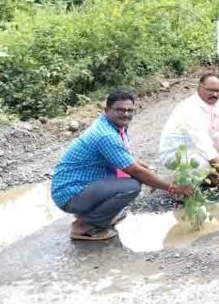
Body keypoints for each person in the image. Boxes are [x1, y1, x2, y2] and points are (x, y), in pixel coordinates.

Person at [51, 90, 192, 241]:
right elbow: (136, 172)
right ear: (107, 110)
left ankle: (95, 216)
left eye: (129, 110)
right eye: (120, 110)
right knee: (131, 186)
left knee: (134, 179)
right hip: (70, 193)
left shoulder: (112, 125)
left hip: (81, 187)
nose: (125, 114)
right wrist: (173, 188)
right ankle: (84, 226)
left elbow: (125, 156)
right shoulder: (105, 135)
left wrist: (149, 169)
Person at [158, 73, 219, 189]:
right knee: (201, 163)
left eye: (218, 91)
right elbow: (206, 147)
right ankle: (180, 187)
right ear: (200, 87)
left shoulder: (216, 103)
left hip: (198, 148)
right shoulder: (190, 109)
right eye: (210, 90)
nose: (215, 94)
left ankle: (211, 176)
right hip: (178, 153)